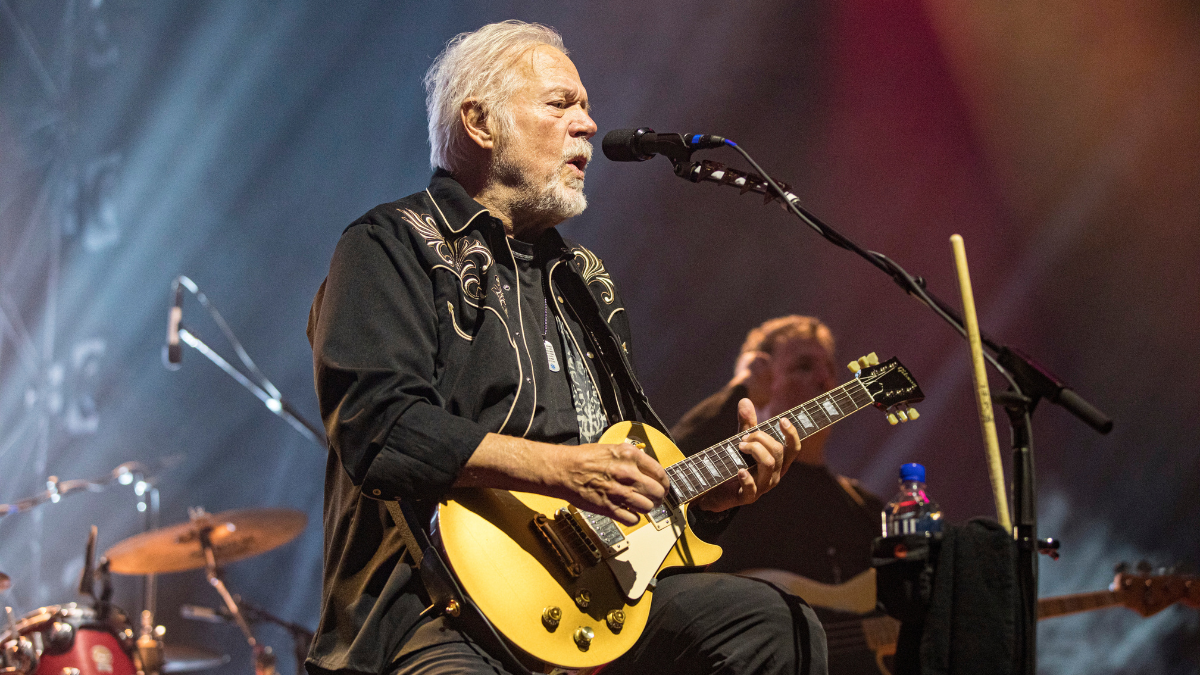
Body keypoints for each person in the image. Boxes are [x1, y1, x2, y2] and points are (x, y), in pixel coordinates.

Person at [306, 21, 827, 675]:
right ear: (480, 122)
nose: (587, 124)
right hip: (430, 608)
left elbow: (617, 479)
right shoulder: (392, 243)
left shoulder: (589, 284)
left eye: (585, 106)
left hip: (586, 599)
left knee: (773, 624)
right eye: (561, 104)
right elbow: (378, 428)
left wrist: (708, 504)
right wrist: (558, 469)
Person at [672, 316, 884, 585]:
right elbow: (672, 470)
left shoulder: (865, 511)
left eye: (829, 369)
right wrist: (741, 386)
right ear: (762, 380)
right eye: (803, 367)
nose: (824, 379)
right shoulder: (735, 485)